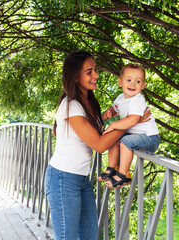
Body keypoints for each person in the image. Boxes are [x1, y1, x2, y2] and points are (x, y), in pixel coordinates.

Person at [44, 51, 150, 240]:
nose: (96, 76)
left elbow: (101, 133)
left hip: (83, 179)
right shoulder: (71, 106)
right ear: (75, 76)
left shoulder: (90, 102)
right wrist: (131, 121)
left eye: (95, 70)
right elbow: (100, 144)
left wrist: (126, 121)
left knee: (90, 236)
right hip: (63, 179)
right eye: (89, 72)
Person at [97, 64, 160, 189]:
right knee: (113, 138)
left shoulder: (137, 100)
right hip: (136, 136)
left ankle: (123, 174)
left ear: (143, 86)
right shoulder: (121, 98)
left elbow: (132, 121)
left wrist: (113, 125)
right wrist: (110, 111)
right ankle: (112, 168)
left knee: (125, 141)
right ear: (120, 82)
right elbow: (115, 109)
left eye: (138, 82)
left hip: (150, 138)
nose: (133, 84)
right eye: (129, 80)